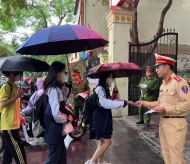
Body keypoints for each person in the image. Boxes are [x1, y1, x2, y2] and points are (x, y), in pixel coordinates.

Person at [135, 53, 190, 164]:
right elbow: (159, 103)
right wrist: (144, 103)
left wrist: (166, 109)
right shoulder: (163, 84)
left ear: (167, 67)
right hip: (163, 122)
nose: (156, 70)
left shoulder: (179, 83)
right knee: (166, 154)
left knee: (176, 158)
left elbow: (187, 104)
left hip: (175, 123)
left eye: (158, 67)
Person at [85, 71, 128, 164]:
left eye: (112, 76)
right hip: (100, 119)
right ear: (105, 77)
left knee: (102, 142)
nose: (111, 78)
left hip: (102, 118)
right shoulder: (100, 88)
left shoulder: (104, 88)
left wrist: (114, 93)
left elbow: (108, 101)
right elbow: (104, 103)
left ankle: (100, 163)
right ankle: (91, 162)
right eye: (110, 76)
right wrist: (123, 103)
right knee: (108, 142)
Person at [43, 62, 73, 164]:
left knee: (61, 157)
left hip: (55, 127)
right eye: (64, 72)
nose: (65, 74)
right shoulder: (53, 90)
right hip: (54, 128)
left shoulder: (56, 89)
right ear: (57, 73)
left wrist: (68, 85)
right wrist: (67, 119)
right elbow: (56, 113)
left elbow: (63, 99)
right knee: (54, 158)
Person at [0, 71, 27, 164]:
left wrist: (19, 117)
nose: (20, 75)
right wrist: (17, 96)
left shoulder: (14, 86)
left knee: (8, 152)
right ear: (12, 74)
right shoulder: (7, 86)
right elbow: (2, 104)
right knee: (19, 151)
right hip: (9, 125)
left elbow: (14, 107)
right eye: (19, 73)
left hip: (14, 124)